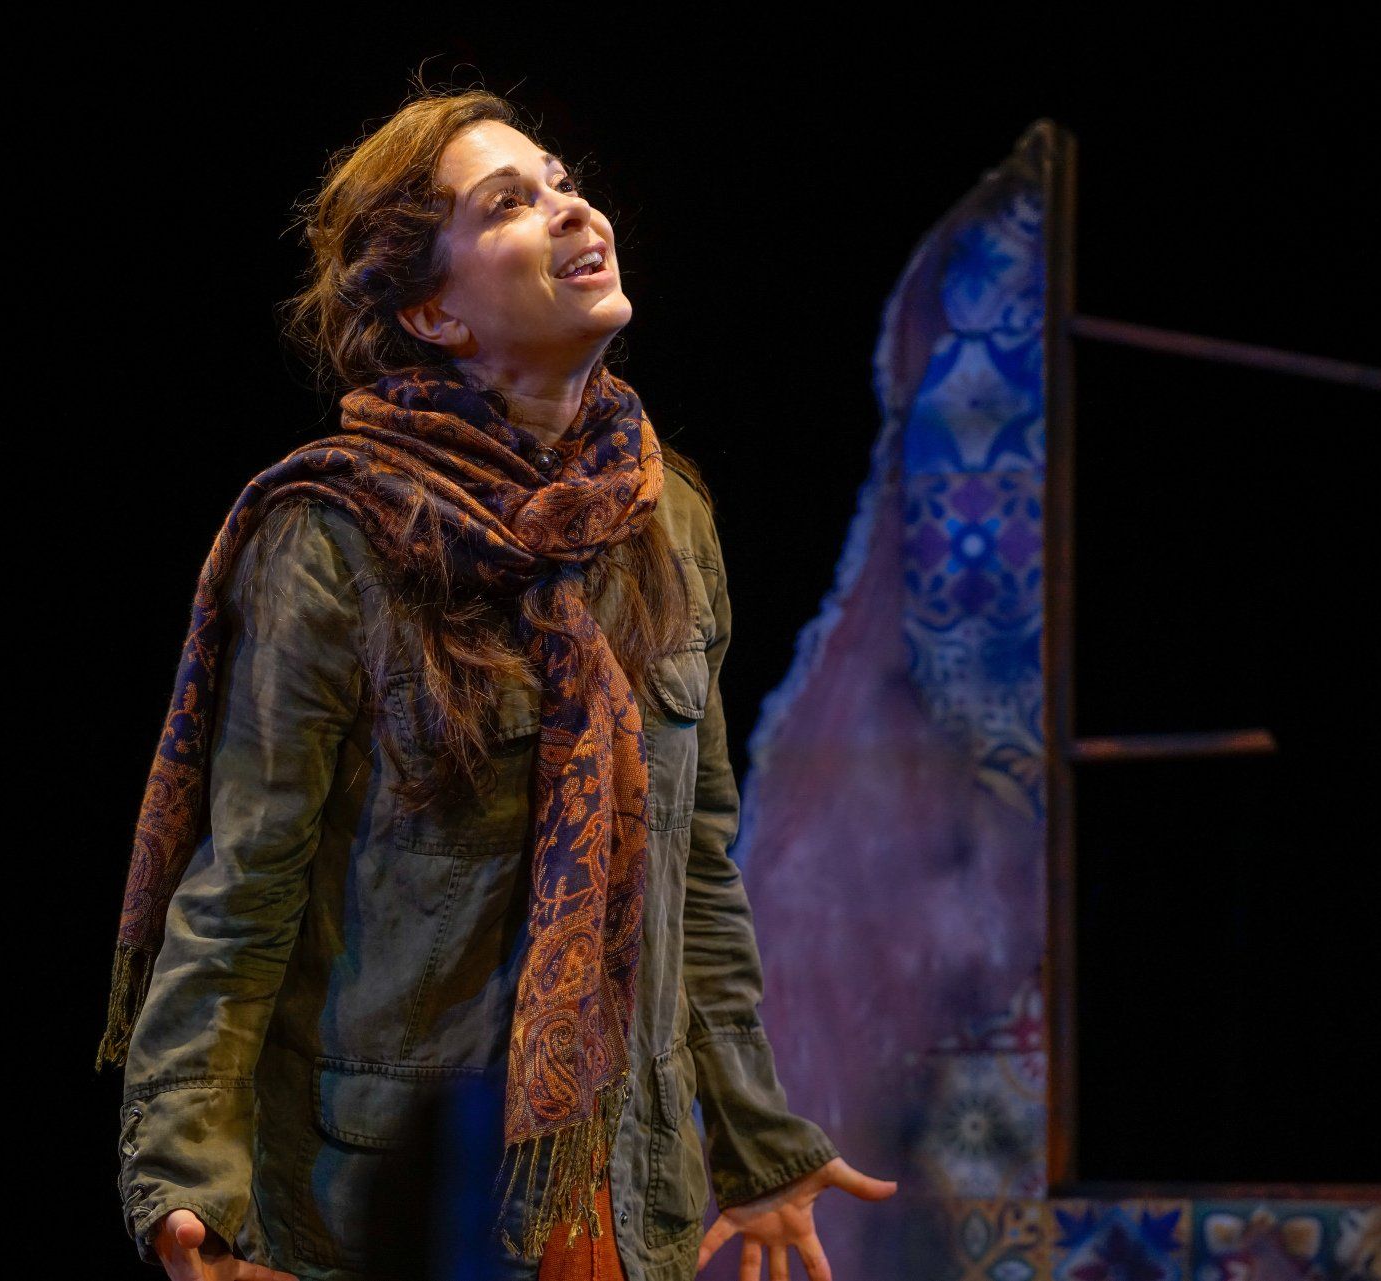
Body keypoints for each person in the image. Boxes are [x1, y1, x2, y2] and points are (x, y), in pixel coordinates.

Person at [98, 85, 897, 1281]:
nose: (574, 210)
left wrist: (753, 1138)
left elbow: (695, 869)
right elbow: (242, 890)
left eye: (564, 181)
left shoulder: (664, 517)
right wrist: (188, 1185)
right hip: (398, 1199)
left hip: (626, 1194)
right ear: (432, 313)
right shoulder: (334, 534)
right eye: (511, 204)